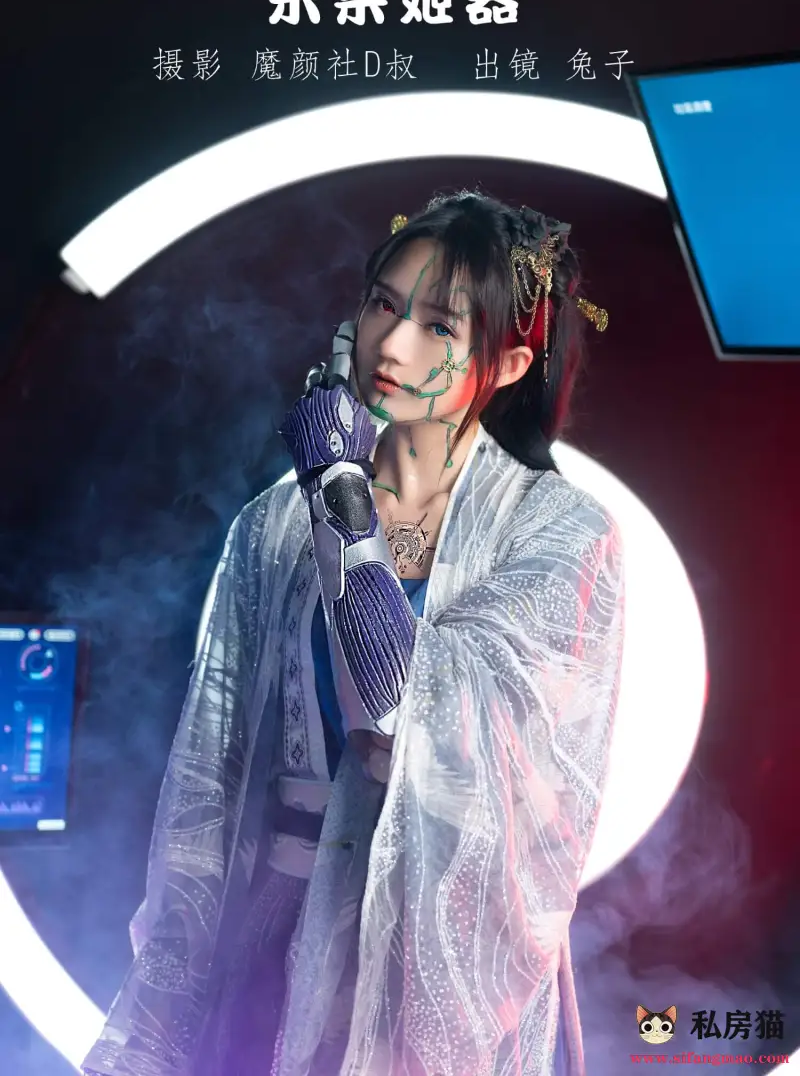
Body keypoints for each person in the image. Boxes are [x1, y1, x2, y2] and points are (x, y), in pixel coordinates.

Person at [82, 191, 624, 1076]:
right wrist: (172, 990)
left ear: (510, 362)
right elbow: (209, 775)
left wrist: (338, 479)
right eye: (382, 304)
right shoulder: (272, 525)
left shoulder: (559, 532)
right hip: (271, 944)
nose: (394, 345)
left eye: (440, 327)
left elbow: (397, 705)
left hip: (431, 963)